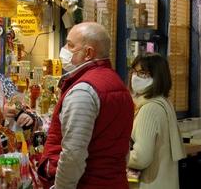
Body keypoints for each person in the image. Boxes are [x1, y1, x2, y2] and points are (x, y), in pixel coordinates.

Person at [38, 22, 134, 189]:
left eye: (70, 45)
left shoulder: (84, 90)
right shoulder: (118, 84)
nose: (64, 50)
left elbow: (73, 154)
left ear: (88, 53)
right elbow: (123, 148)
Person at [128, 53, 185, 189]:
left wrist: (116, 155)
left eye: (143, 73)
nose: (135, 77)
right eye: (134, 72)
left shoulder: (149, 109)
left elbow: (140, 158)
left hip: (149, 183)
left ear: (158, 77)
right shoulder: (164, 103)